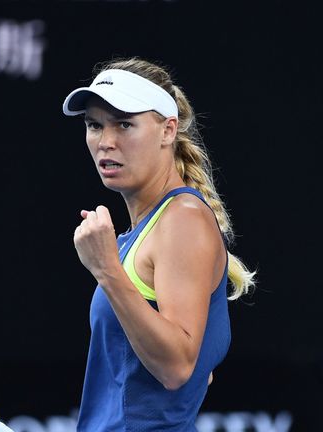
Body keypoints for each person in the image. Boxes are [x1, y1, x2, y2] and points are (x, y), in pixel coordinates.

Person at [62, 57, 256, 431]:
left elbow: (176, 367)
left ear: (168, 131)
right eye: (94, 125)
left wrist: (106, 270)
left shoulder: (182, 218)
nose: (106, 142)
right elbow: (196, 372)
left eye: (124, 124)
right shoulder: (149, 230)